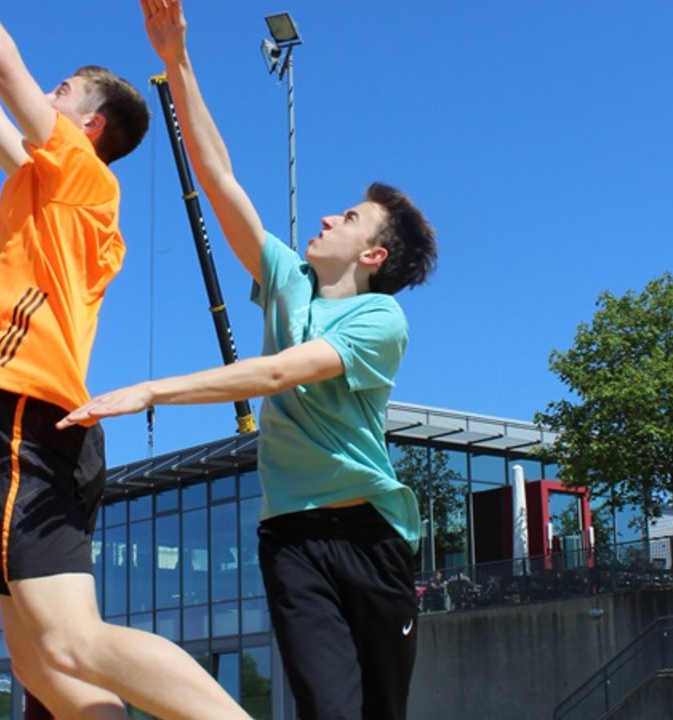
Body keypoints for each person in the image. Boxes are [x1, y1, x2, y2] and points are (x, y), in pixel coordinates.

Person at [0, 2, 253, 719]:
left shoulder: (80, 175)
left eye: (62, 91)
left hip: (35, 416)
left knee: (71, 644)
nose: (45, 94)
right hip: (48, 422)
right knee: (40, 665)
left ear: (90, 126)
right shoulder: (58, 188)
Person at [59, 2, 439, 718]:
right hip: (289, 538)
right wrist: (176, 57)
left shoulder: (379, 318)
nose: (328, 218)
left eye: (349, 218)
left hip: (370, 535)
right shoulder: (286, 277)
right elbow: (217, 175)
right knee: (328, 709)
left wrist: (149, 392)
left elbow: (275, 373)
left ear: (372, 255)